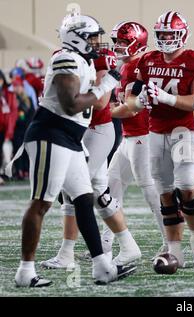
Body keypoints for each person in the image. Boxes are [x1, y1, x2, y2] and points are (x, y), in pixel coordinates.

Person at [13, 11, 135, 287]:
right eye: (91, 38)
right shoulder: (65, 58)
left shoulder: (82, 61)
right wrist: (105, 84)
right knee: (42, 202)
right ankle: (25, 271)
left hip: (70, 139)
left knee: (83, 199)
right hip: (50, 135)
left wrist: (103, 83)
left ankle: (102, 267)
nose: (97, 43)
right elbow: (70, 104)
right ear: (76, 38)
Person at [40, 44, 141, 269]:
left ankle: (66, 254)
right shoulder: (66, 58)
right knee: (99, 194)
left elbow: (101, 102)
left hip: (97, 131)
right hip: (81, 130)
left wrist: (71, 96)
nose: (95, 41)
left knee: (73, 191)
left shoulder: (99, 60)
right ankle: (129, 245)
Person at [127, 11, 194, 267]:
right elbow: (132, 95)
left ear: (182, 35)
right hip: (155, 131)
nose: (165, 39)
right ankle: (174, 250)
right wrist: (137, 100)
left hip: (183, 130)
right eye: (162, 34)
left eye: (170, 34)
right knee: (164, 192)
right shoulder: (147, 60)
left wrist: (167, 98)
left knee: (187, 187)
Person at [105, 21, 167, 259]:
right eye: (117, 42)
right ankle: (106, 244)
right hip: (129, 136)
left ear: (136, 41)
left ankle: (170, 243)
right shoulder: (123, 67)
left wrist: (103, 112)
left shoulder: (140, 66)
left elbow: (130, 110)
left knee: (150, 192)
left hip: (144, 136)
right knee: (110, 188)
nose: (118, 46)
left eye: (122, 41)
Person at [0, 69, 18, 184]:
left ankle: (3, 173)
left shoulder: (9, 95)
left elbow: (13, 113)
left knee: (5, 154)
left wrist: (9, 132)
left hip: (5, 130)